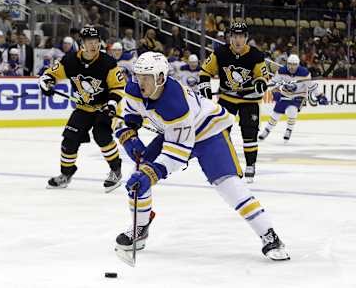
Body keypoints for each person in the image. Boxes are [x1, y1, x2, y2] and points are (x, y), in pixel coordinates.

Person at [114, 52, 289, 261]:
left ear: (160, 78)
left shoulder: (174, 103)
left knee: (229, 185)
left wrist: (152, 173)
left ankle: (269, 235)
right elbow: (127, 115)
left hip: (208, 133)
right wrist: (129, 136)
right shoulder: (134, 88)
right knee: (138, 176)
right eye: (138, 76)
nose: (140, 82)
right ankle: (140, 227)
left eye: (146, 77)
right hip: (175, 134)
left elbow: (178, 153)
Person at [39, 26, 126, 192]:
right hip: (84, 107)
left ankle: (116, 170)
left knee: (101, 135)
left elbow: (118, 87)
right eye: (89, 41)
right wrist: (46, 82)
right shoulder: (70, 60)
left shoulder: (108, 63)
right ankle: (66, 174)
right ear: (82, 43)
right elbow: (51, 75)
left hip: (105, 108)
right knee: (69, 139)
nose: (93, 45)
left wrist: (112, 103)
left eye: (96, 41)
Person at [198, 22, 269, 183]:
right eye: (235, 36)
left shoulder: (256, 55)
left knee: (249, 133)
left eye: (241, 36)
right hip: (227, 99)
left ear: (246, 38)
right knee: (220, 133)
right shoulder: (220, 52)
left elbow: (263, 77)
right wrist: (205, 88)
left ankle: (250, 165)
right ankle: (224, 165)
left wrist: (260, 83)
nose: (238, 40)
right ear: (230, 37)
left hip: (249, 100)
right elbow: (205, 71)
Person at [259, 54, 328, 142]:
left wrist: (320, 96)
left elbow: (312, 86)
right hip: (285, 94)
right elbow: (274, 82)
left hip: (299, 95)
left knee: (292, 111)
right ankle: (267, 130)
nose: (291, 67)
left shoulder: (304, 73)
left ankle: (289, 130)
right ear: (287, 64)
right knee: (276, 113)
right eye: (290, 64)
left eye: (294, 65)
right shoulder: (281, 71)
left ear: (298, 65)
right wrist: (275, 92)